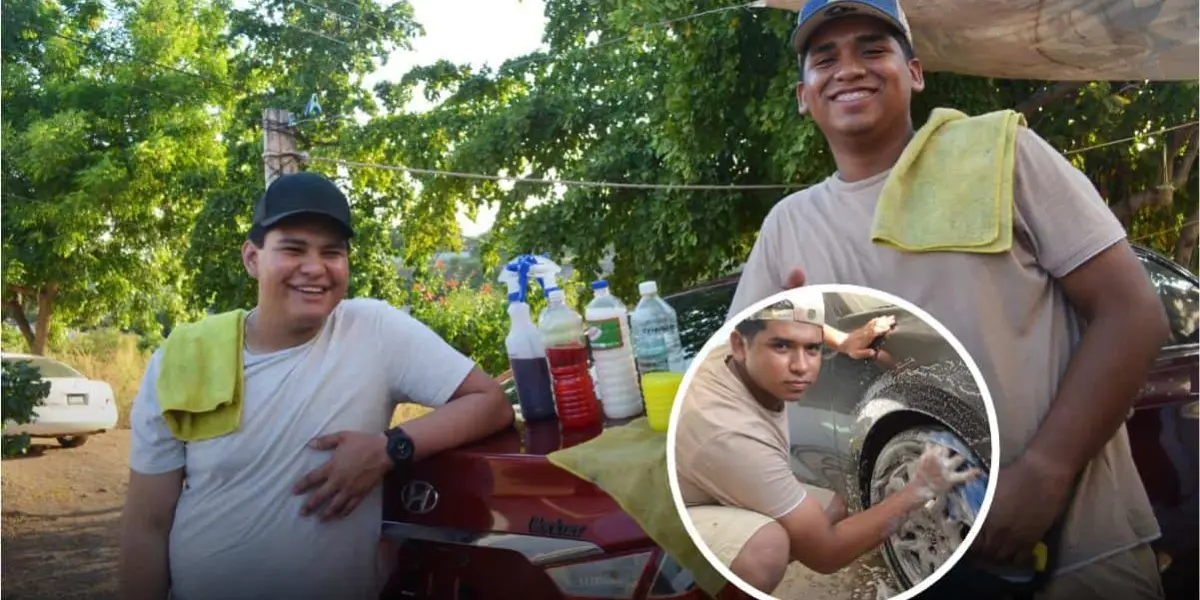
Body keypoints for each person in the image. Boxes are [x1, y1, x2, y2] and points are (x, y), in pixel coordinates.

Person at [727, 1, 1171, 598]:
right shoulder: (789, 227)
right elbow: (741, 386)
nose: (849, 68)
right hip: (917, 560)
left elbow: (1134, 313)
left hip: (1081, 548)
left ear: (914, 72)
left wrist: (1045, 474)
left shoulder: (1002, 156)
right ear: (804, 96)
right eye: (824, 58)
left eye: (872, 49)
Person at [117, 171, 515, 600]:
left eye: (332, 252)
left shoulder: (375, 330)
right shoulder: (184, 358)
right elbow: (147, 525)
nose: (315, 267)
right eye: (293, 248)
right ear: (252, 258)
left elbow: (489, 402)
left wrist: (388, 448)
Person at [674, 292, 980, 593]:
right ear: (739, 345)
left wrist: (843, 341)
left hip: (708, 468)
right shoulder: (732, 435)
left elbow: (800, 325)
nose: (801, 367)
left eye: (812, 348)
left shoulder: (745, 342)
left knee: (832, 509)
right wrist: (919, 490)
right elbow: (827, 554)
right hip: (682, 504)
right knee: (766, 551)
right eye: (781, 346)